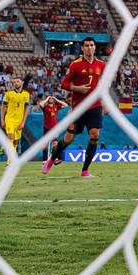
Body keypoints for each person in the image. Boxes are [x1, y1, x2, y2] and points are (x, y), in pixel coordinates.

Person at [59, 37, 106, 177]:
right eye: (87, 45)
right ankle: (53, 157)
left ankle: (85, 170)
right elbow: (64, 84)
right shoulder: (75, 65)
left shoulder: (101, 65)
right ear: (82, 48)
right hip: (78, 106)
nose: (89, 48)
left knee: (95, 134)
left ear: (95, 47)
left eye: (92, 45)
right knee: (68, 138)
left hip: (95, 105)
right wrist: (77, 88)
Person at [2, 77, 33, 154]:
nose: (15, 83)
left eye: (17, 81)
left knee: (15, 141)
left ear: (22, 82)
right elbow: (3, 107)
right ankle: (10, 159)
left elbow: (26, 109)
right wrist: (2, 120)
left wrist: (23, 123)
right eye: (14, 82)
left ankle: (13, 155)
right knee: (10, 137)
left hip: (19, 120)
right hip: (9, 119)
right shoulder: (8, 94)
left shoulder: (26, 94)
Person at [38, 93, 65, 174]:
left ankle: (57, 159)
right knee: (45, 146)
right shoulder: (45, 107)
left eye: (51, 98)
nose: (51, 99)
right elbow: (40, 104)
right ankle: (44, 161)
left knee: (55, 144)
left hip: (55, 128)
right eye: (49, 98)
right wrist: (47, 99)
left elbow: (65, 105)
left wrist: (56, 99)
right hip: (47, 128)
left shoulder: (56, 107)